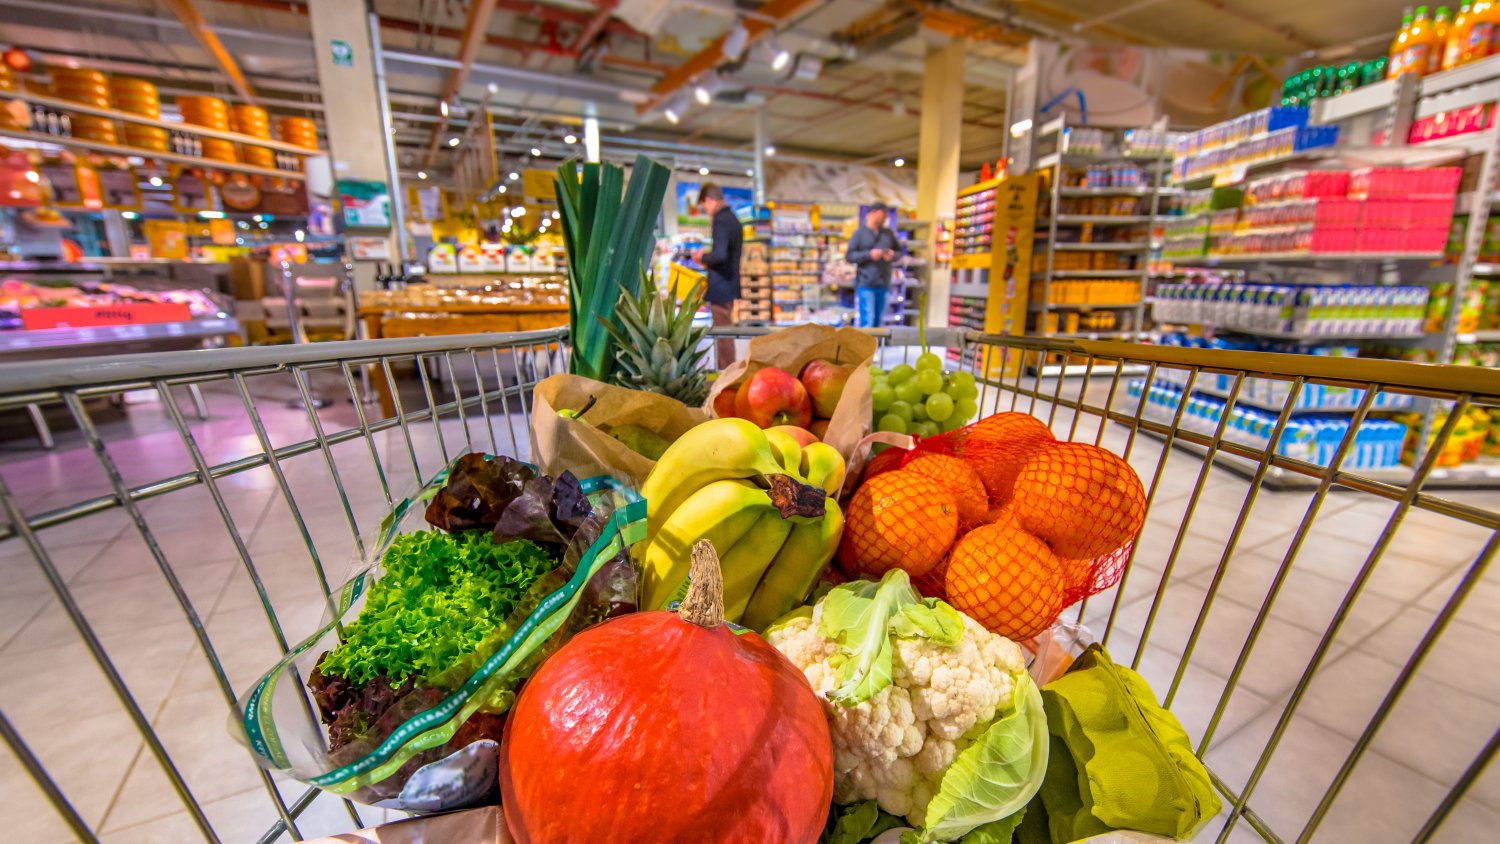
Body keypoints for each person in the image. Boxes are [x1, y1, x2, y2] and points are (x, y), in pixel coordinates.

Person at [692, 183, 742, 366]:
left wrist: (702, 257)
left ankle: (726, 372)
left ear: (709, 200)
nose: (706, 210)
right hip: (729, 284)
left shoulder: (721, 220)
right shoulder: (733, 219)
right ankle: (728, 370)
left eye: (704, 206)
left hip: (721, 287)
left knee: (723, 334)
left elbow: (720, 255)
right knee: (725, 332)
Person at [846, 203, 904, 328]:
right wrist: (869, 255)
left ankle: (876, 341)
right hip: (866, 284)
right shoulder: (859, 233)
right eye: (882, 215)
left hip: (884, 283)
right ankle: (865, 342)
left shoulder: (888, 233)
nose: (884, 218)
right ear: (873, 213)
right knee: (868, 321)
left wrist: (892, 255)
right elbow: (849, 256)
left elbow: (899, 253)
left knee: (879, 322)